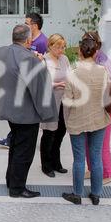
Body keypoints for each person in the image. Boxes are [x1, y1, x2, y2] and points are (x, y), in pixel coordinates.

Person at [0, 24, 58, 198]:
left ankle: (11, 180)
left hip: (8, 107)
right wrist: (48, 114)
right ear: (28, 40)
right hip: (26, 113)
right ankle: (17, 188)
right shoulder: (29, 59)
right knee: (24, 151)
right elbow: (39, 88)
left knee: (15, 145)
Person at [62, 37, 111, 206]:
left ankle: (77, 194)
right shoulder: (103, 71)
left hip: (77, 120)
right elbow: (107, 95)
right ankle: (96, 194)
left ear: (80, 53)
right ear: (95, 52)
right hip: (99, 118)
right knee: (96, 157)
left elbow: (67, 101)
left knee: (79, 159)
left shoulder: (73, 73)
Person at [0, 12, 48, 148]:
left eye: (27, 23)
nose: (24, 24)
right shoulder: (23, 39)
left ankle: (11, 139)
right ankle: (11, 139)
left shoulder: (42, 42)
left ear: (34, 26)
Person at [85, 31, 111, 185]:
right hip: (93, 107)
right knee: (88, 140)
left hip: (105, 107)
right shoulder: (92, 59)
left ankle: (107, 173)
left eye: (86, 43)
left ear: (95, 45)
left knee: (102, 143)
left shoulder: (104, 63)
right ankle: (91, 168)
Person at [39, 34, 70, 178]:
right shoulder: (44, 61)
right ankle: (46, 165)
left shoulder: (65, 59)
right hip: (50, 101)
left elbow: (69, 75)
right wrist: (56, 84)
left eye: (63, 47)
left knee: (60, 132)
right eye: (58, 47)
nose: (61, 50)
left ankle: (56, 162)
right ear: (50, 46)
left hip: (64, 101)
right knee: (49, 134)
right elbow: (40, 83)